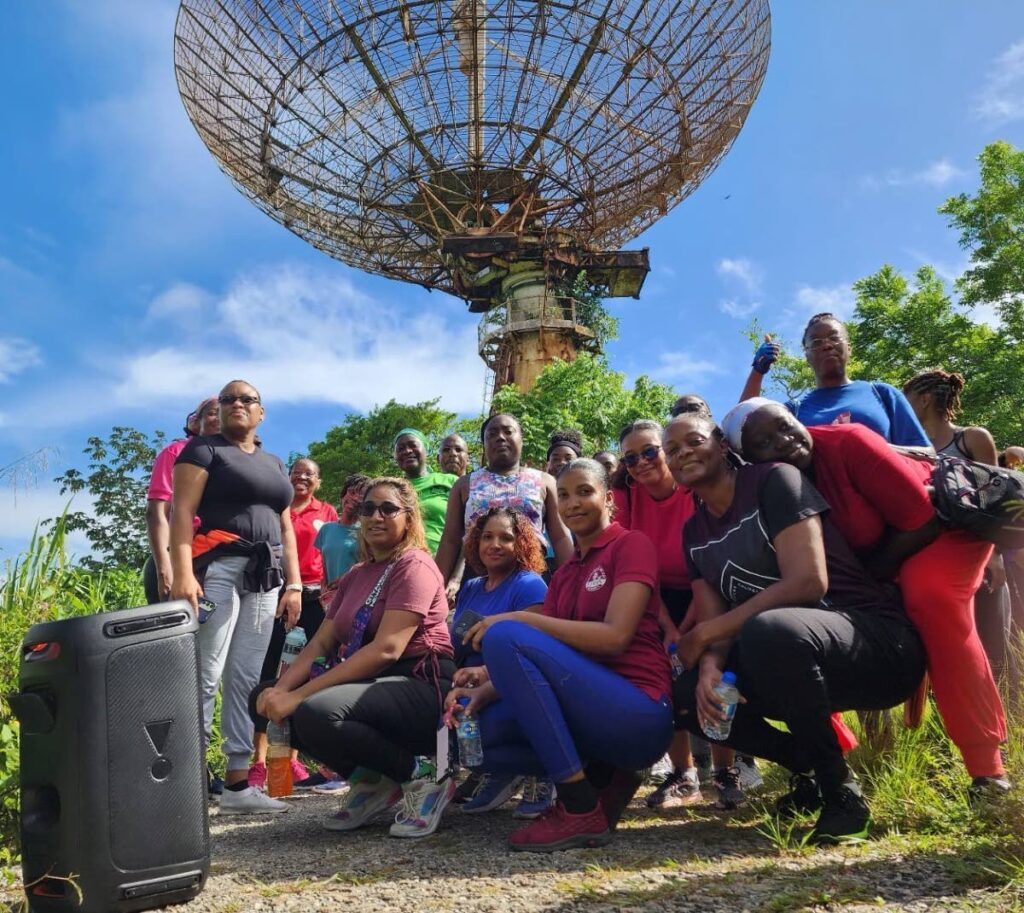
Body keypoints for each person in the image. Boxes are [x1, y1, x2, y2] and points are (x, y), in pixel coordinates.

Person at [723, 398, 1010, 799]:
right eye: (765, 441)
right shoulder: (769, 487)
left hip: (942, 529)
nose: (785, 441)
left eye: (786, 426)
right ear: (748, 460)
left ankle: (987, 770)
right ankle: (830, 765)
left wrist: (872, 579)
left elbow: (922, 520)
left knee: (931, 599)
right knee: (806, 625)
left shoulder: (849, 442)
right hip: (879, 554)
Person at [664, 411, 928, 844]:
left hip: (875, 645)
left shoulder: (774, 481)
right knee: (685, 692)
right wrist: (710, 665)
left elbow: (808, 582)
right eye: (672, 450)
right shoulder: (694, 532)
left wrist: (705, 636)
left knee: (771, 629)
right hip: (787, 661)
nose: (682, 453)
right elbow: (714, 620)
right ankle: (805, 765)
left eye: (693, 441)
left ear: (721, 443)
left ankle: (841, 793)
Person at [445, 459, 673, 852]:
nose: (572, 503)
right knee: (478, 734)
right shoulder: (566, 573)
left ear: (608, 499)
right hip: (590, 711)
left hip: (638, 709)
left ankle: (578, 804)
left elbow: (616, 638)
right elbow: (543, 658)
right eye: (564, 495)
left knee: (505, 634)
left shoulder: (629, 544)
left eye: (585, 491)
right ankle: (604, 778)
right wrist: (486, 685)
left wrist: (514, 618)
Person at [253, 477, 456, 838]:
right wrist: (282, 690)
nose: (375, 516)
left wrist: (298, 696)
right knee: (262, 696)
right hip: (370, 682)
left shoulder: (415, 566)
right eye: (367, 509)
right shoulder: (356, 575)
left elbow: (387, 649)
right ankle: (371, 780)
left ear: (408, 518)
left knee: (317, 709)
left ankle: (422, 777)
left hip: (420, 682)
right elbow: (320, 643)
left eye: (388, 508)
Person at [170, 380, 302, 814]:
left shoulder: (274, 462)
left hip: (267, 577)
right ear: (221, 410)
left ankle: (238, 784)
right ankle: (185, 784)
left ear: (261, 412)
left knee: (246, 677)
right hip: (219, 570)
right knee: (206, 671)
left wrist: (295, 583)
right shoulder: (204, 451)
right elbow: (182, 512)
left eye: (248, 399)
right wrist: (184, 573)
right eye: (229, 399)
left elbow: (285, 528)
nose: (238, 405)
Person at [612, 420, 712, 808]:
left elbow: (710, 564)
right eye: (632, 457)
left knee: (711, 667)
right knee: (663, 671)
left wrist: (688, 630)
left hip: (709, 589)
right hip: (656, 598)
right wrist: (669, 627)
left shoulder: (695, 491)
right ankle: (682, 773)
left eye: (650, 451)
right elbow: (637, 569)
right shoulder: (628, 497)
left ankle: (725, 769)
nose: (642, 462)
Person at [903, 369, 1019, 700]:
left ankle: (1009, 731)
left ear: (924, 400)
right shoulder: (916, 449)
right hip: (939, 564)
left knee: (994, 644)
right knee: (950, 651)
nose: (903, 406)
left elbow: (1001, 501)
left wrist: (995, 557)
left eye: (907, 399)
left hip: (981, 560)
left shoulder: (972, 438)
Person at [451, 508, 549, 815]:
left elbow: (536, 648)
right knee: (446, 730)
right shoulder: (471, 587)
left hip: (511, 684)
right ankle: (498, 773)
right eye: (487, 537)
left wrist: (486, 676)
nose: (494, 544)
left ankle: (542, 769)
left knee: (486, 730)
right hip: (468, 682)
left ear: (521, 543)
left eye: (506, 538)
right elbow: (460, 645)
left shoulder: (529, 585)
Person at [249, 459, 338, 791]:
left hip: (316, 600)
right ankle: (259, 763)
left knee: (303, 673)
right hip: (274, 595)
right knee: (268, 673)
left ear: (319, 481)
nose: (302, 477)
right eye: (297, 472)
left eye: (310, 473)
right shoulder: (276, 508)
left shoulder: (327, 512)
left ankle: (291, 760)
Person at [740, 313, 931, 446]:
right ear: (806, 356)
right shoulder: (793, 411)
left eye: (834, 338)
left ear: (849, 348)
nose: (826, 345)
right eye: (816, 342)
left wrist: (866, 448)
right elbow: (742, 426)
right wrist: (758, 370)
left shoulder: (882, 394)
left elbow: (926, 455)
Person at [435, 413, 573, 587]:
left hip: (530, 578)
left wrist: (571, 584)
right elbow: (450, 540)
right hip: (477, 580)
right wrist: (436, 589)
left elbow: (560, 537)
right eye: (492, 434)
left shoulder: (545, 482)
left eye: (508, 432)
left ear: (521, 439)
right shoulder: (464, 485)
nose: (500, 437)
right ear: (484, 444)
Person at [144, 396, 219, 603]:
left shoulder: (239, 460)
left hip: (222, 559)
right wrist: (164, 568)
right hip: (180, 555)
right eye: (214, 412)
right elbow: (157, 512)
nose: (220, 418)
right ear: (195, 422)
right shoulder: (176, 452)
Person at [394, 429, 457, 557]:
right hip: (404, 564)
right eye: (400, 449)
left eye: (413, 445)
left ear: (426, 449)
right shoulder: (392, 489)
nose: (407, 451)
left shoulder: (450, 481)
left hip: (447, 562)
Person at [315, 473, 370, 608]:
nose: (355, 498)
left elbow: (370, 567)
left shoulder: (367, 532)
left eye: (361, 495)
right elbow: (324, 566)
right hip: (330, 600)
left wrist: (345, 580)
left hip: (357, 598)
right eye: (351, 492)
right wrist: (324, 591)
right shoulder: (326, 529)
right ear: (343, 494)